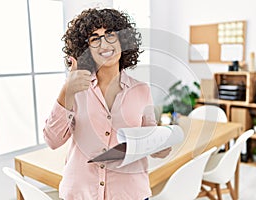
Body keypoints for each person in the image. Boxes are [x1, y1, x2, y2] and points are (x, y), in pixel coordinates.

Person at [43, 8, 171, 200]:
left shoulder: (142, 90)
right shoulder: (75, 88)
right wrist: (66, 92)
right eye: (94, 38)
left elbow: (149, 138)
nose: (104, 43)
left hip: (129, 193)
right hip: (81, 193)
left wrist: (161, 147)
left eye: (110, 34)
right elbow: (52, 141)